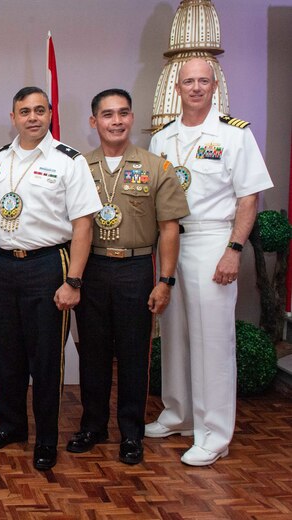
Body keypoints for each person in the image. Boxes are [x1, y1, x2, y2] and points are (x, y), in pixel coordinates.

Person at [146, 58, 273, 466]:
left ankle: (214, 434)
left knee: (212, 340)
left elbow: (249, 197)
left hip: (213, 239)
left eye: (204, 81)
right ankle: (178, 413)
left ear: (214, 86)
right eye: (189, 82)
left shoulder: (234, 134)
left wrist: (234, 249)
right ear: (177, 88)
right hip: (171, 242)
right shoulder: (162, 139)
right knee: (174, 333)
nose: (196, 88)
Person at [0, 86, 101, 470]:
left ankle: (46, 438)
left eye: (40, 110)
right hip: (4, 265)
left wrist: (73, 281)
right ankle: (11, 426)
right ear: (13, 117)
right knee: (5, 356)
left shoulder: (68, 161)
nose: (33, 117)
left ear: (49, 114)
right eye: (25, 111)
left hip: (49, 265)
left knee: (46, 359)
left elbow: (84, 224)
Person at [66, 89, 188, 465]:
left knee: (135, 354)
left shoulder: (156, 167)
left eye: (123, 113)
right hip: (92, 268)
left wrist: (165, 281)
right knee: (93, 353)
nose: (116, 121)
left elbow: (169, 229)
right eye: (107, 115)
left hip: (136, 268)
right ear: (94, 122)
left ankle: (132, 432)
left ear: (132, 118)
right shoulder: (78, 167)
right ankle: (94, 426)